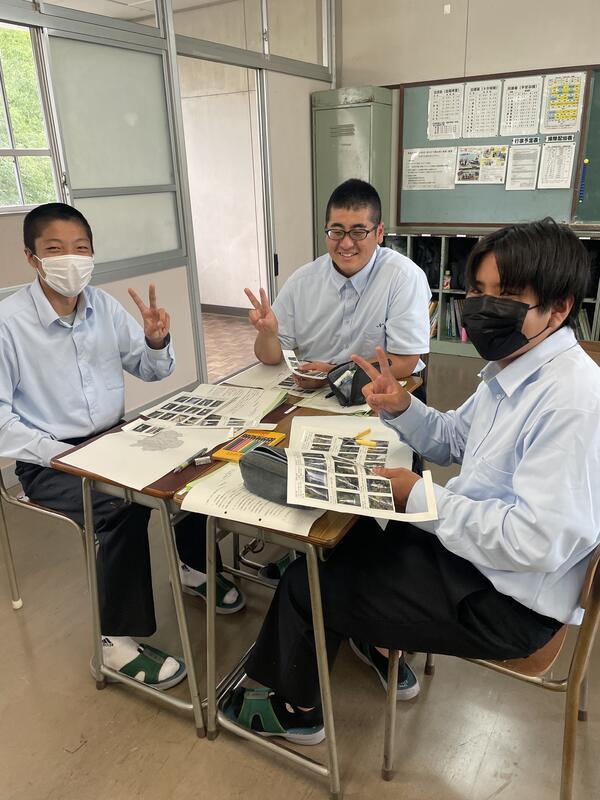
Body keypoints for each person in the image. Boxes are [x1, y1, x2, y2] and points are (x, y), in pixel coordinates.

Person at [224, 217, 600, 744]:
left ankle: (294, 710)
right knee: (342, 540)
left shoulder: (573, 402)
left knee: (305, 583)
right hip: (480, 560)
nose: (483, 306)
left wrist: (419, 495)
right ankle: (374, 641)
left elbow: (534, 542)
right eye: (478, 290)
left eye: (507, 295)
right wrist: (402, 406)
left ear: (559, 308)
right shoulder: (515, 366)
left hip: (507, 602)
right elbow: (452, 439)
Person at [0, 203, 244, 691]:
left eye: (81, 249)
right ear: (32, 257)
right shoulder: (8, 322)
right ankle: (113, 641)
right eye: (55, 250)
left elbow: (153, 371)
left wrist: (156, 341)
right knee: (121, 505)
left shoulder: (104, 307)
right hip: (49, 460)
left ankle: (193, 566)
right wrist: (58, 453)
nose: (71, 259)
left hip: (114, 437)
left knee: (192, 465)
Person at [245, 179, 431, 392]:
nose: (346, 243)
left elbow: (405, 361)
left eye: (358, 232)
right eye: (336, 231)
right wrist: (268, 334)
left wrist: (334, 374)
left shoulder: (403, 277)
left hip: (382, 393)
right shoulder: (302, 282)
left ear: (379, 233)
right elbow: (270, 357)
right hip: (314, 392)